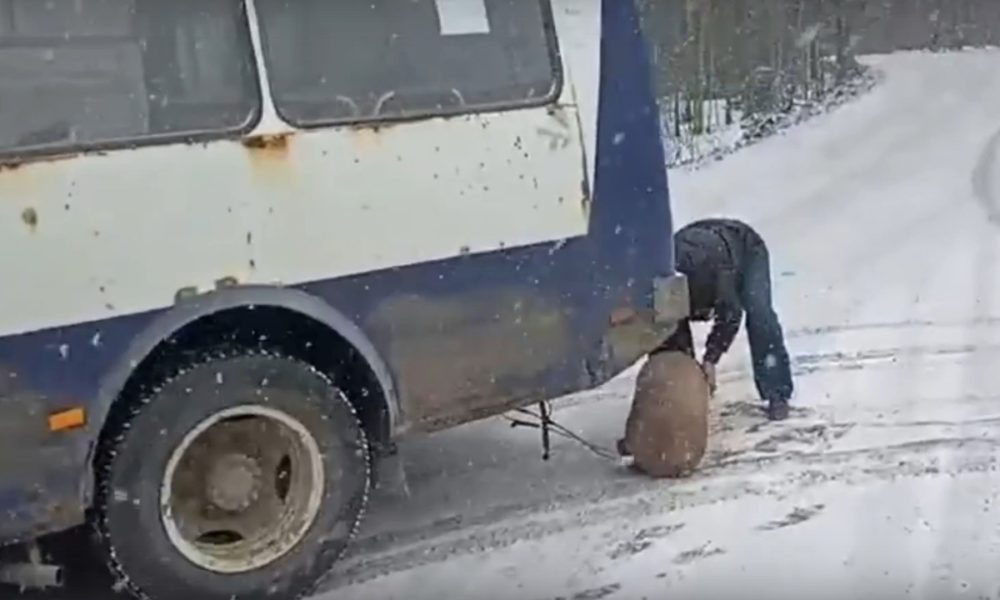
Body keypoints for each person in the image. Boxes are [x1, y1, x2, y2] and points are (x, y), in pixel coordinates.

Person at [659, 217, 794, 421]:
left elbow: (730, 316)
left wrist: (710, 359)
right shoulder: (665, 276)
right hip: (698, 241)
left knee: (760, 314)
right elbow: (670, 328)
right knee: (671, 338)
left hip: (746, 248)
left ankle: (777, 393)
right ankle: (671, 407)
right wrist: (686, 371)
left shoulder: (719, 276)